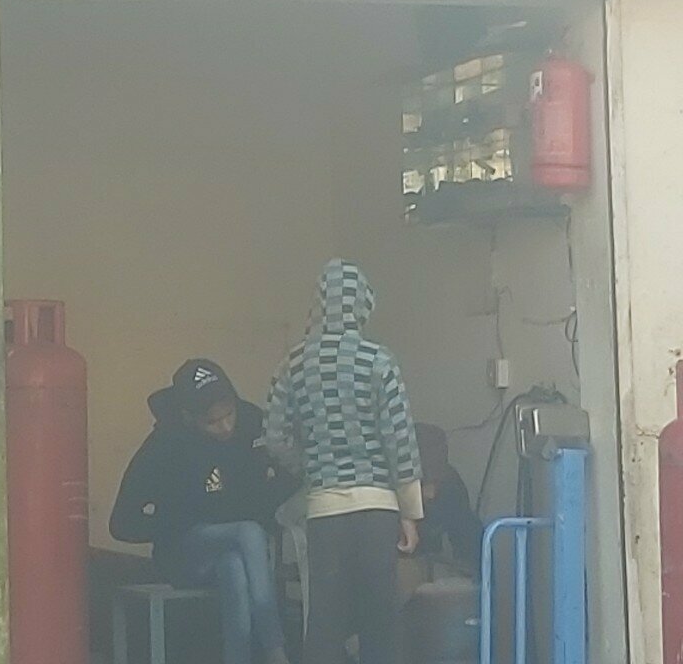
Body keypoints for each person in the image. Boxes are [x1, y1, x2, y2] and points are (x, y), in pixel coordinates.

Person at [264, 260, 423, 664]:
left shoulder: (294, 363)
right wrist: (410, 513)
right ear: (362, 304)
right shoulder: (378, 361)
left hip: (324, 510)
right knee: (379, 620)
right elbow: (399, 440)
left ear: (320, 304)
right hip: (377, 510)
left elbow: (275, 435)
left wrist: (311, 467)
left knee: (325, 622)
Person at [110, 359, 296, 664]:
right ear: (188, 417)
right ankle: (276, 651)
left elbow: (281, 482)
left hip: (236, 554)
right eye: (212, 421)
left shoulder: (250, 424)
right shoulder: (163, 445)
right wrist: (175, 522)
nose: (225, 426)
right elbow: (121, 523)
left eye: (229, 414)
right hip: (183, 554)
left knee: (234, 565)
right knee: (248, 531)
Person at [414, 423, 483, 577]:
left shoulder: (450, 479)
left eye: (441, 447)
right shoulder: (398, 479)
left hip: (433, 559)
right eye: (429, 448)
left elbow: (462, 526)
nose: (439, 453)